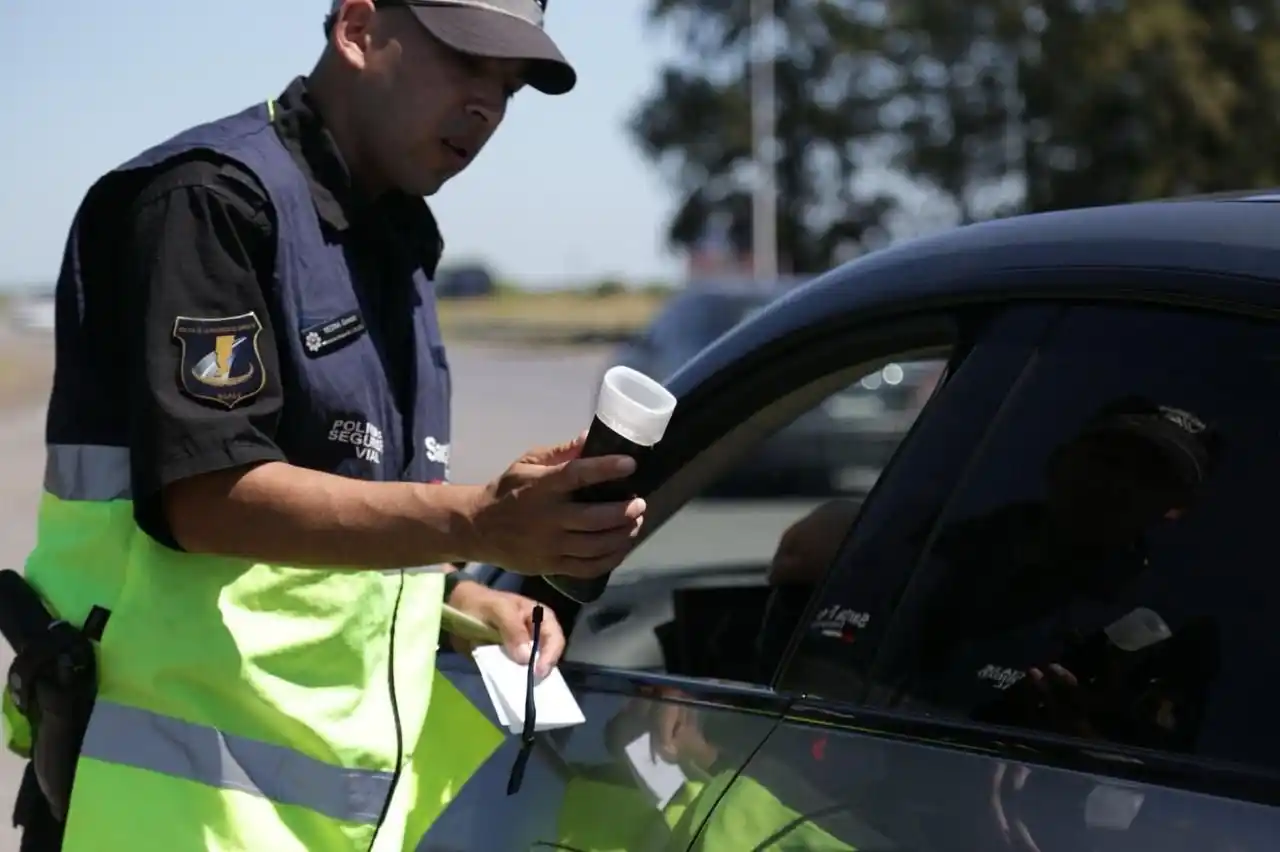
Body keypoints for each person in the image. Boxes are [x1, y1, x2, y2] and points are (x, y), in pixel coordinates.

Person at [4, 2, 647, 851]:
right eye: (464, 63)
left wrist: (460, 598)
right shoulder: (210, 199)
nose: (487, 107)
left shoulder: (398, 242)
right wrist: (482, 520)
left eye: (508, 87)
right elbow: (210, 498)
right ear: (357, 29)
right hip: (165, 820)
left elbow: (345, 511)